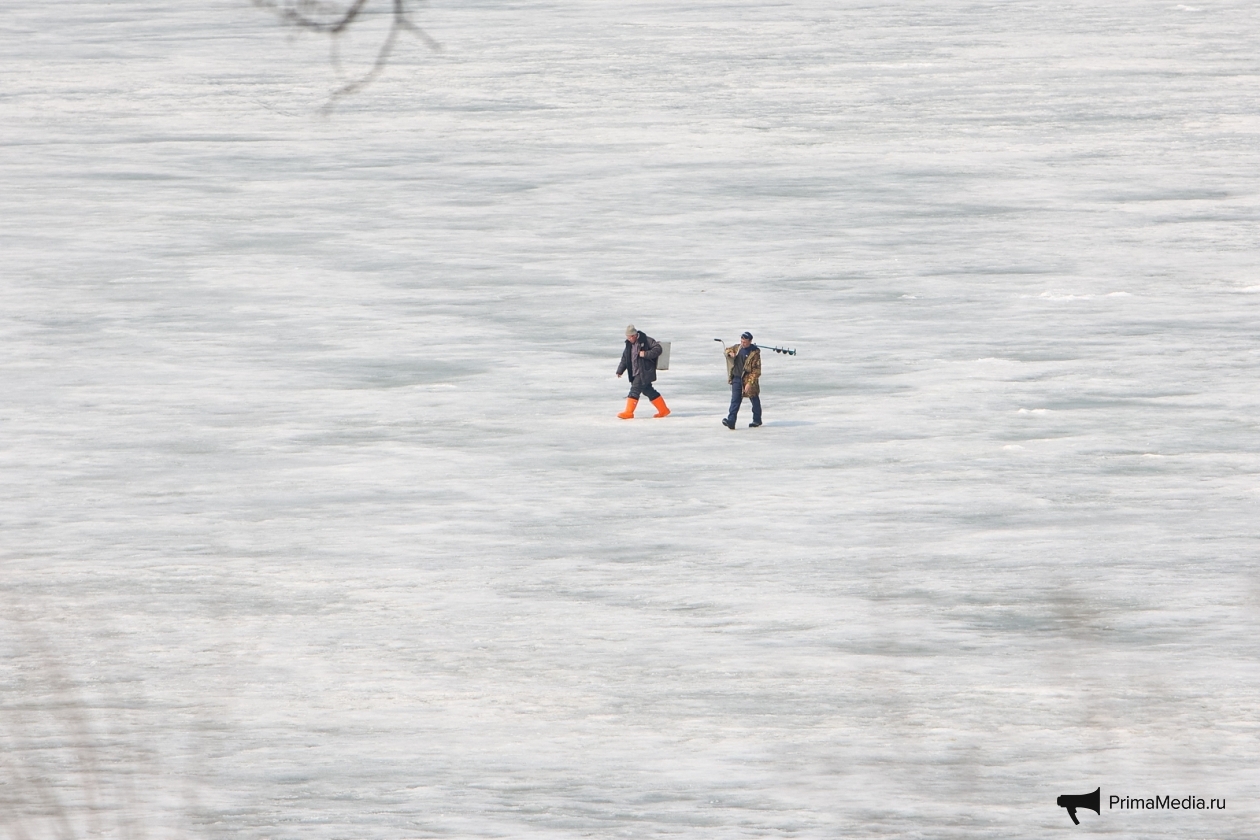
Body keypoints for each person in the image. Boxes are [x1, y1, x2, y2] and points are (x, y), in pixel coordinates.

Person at [616, 325, 671, 419]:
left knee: (634, 390)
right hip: (635, 372)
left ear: (634, 335)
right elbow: (625, 359)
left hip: (645, 372)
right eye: (627, 337)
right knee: (648, 391)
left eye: (629, 337)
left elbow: (658, 349)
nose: (628, 339)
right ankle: (663, 410)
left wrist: (645, 354)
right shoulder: (629, 345)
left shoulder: (646, 340)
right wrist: (620, 370)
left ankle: (629, 412)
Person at [722, 331, 761, 429]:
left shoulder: (754, 353)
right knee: (735, 400)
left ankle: (757, 420)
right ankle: (731, 421)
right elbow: (727, 350)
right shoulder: (738, 347)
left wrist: (750, 383)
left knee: (754, 399)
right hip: (736, 378)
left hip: (748, 379)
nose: (743, 343)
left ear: (750, 341)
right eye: (741, 341)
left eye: (745, 342)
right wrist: (730, 353)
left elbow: (756, 371)